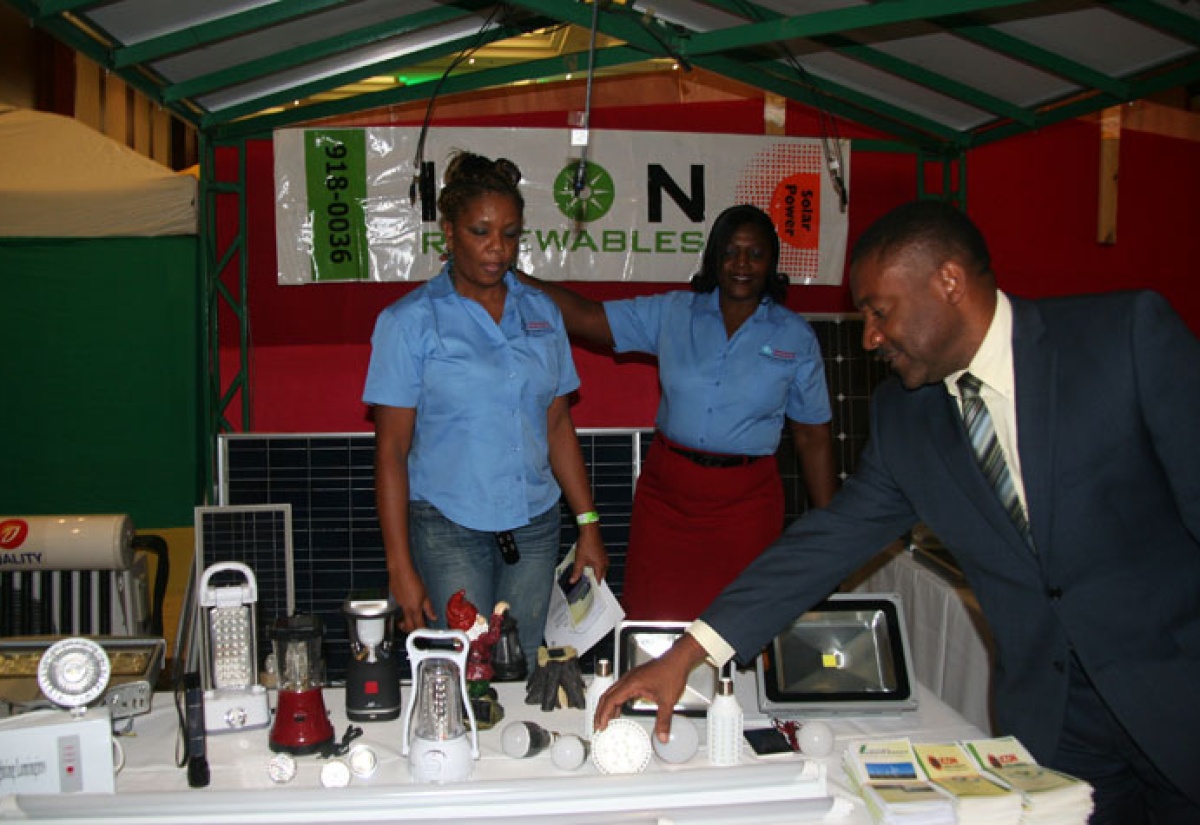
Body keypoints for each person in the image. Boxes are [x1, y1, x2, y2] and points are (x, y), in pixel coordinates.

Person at [594, 199, 1200, 824]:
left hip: (1179, 700)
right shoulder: (906, 416)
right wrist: (687, 653)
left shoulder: (1122, 339)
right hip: (1057, 724)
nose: (869, 338)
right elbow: (826, 541)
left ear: (948, 282)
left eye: (879, 313)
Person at [521, 204, 837, 620]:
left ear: (772, 263)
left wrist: (832, 530)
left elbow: (812, 437)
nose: (742, 264)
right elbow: (588, 317)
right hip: (667, 499)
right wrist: (512, 276)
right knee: (655, 618)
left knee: (740, 625)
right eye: (730, 252)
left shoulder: (795, 336)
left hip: (746, 506)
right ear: (714, 258)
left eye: (755, 254)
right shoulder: (674, 312)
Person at [363, 150, 608, 666]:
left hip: (537, 526)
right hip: (448, 527)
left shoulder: (541, 313)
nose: (497, 249)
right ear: (448, 235)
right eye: (480, 232)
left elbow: (558, 423)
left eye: (511, 234)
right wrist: (399, 567)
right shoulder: (409, 322)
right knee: (462, 671)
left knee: (519, 668)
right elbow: (391, 451)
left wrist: (588, 524)